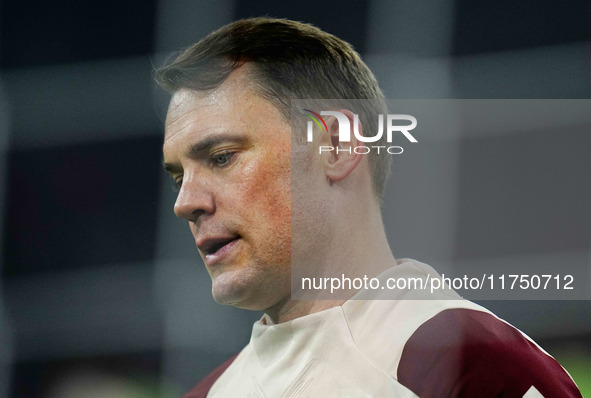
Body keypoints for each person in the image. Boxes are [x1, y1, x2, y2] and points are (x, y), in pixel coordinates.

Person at [155, 17, 582, 398]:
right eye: (178, 176)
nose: (185, 202)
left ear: (338, 147)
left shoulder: (475, 364)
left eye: (222, 156)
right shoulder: (207, 393)